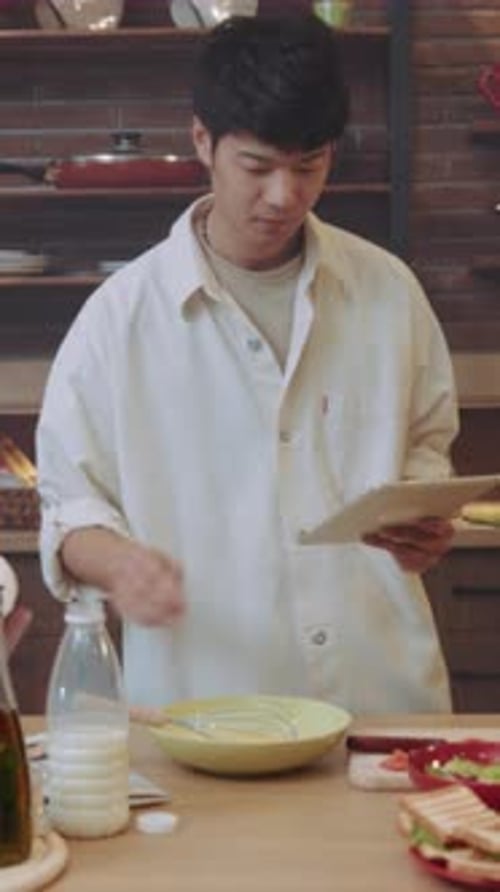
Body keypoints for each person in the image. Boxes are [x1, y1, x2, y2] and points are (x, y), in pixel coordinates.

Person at [36, 13, 459, 714]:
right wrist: (122, 566)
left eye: (310, 166)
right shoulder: (121, 319)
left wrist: (420, 521)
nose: (283, 196)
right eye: (257, 167)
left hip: (382, 702)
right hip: (203, 715)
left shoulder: (388, 293)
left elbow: (426, 446)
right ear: (203, 140)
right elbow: (70, 507)